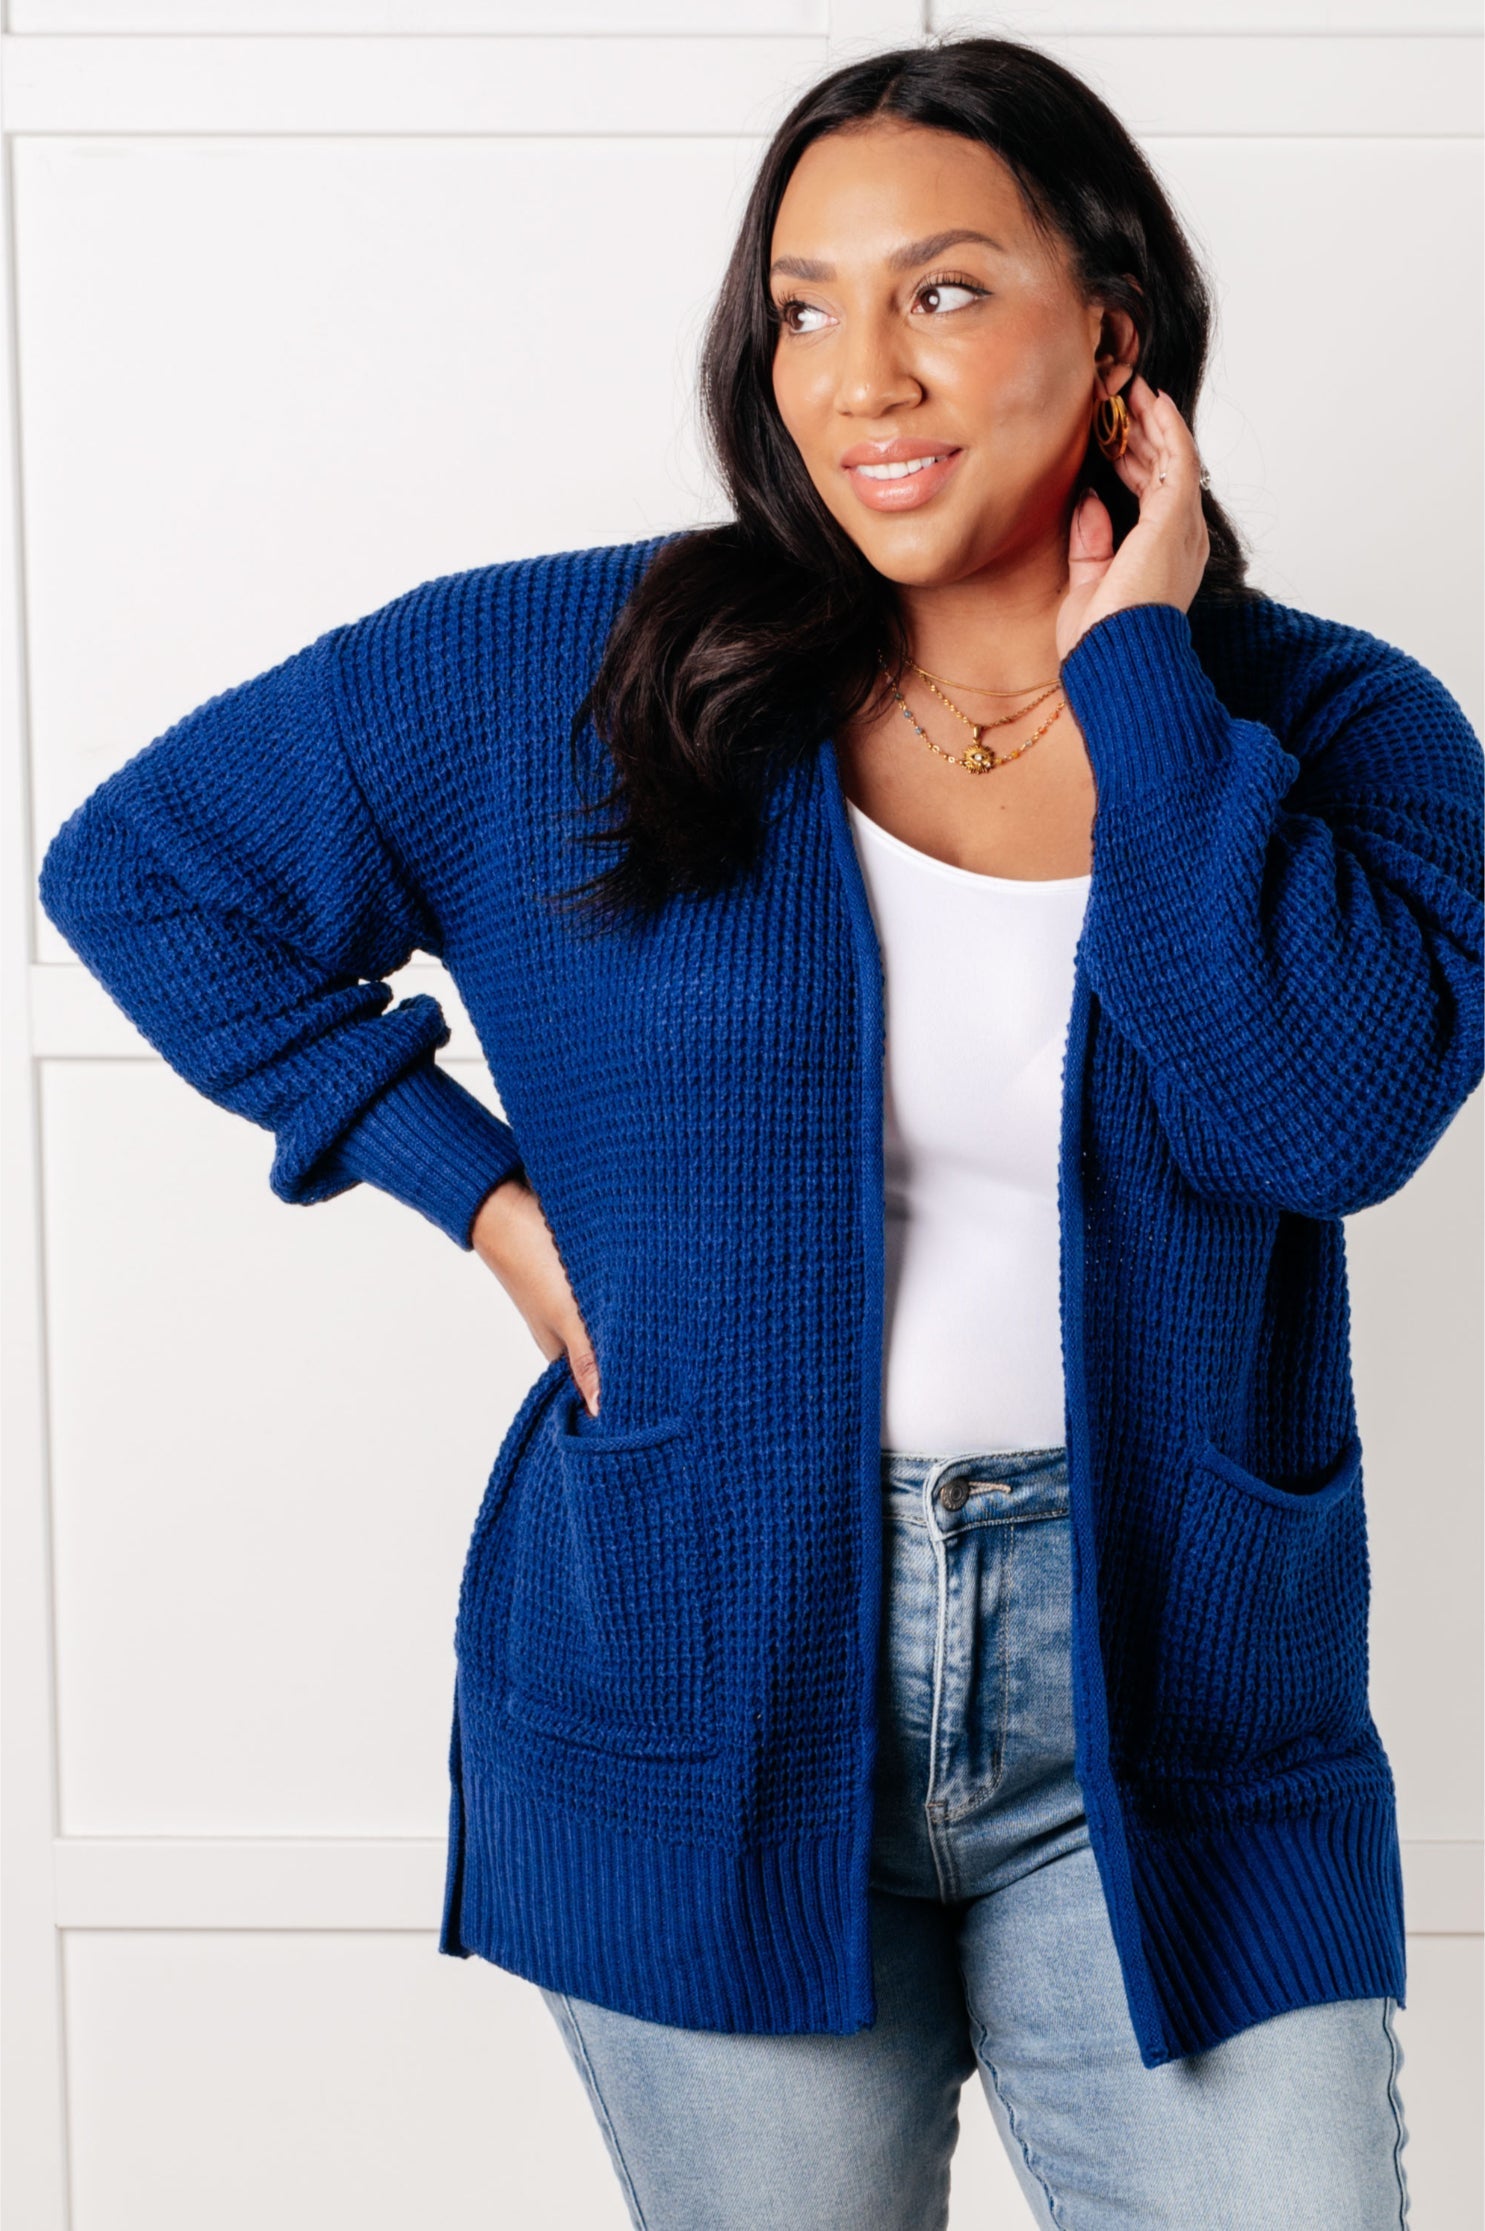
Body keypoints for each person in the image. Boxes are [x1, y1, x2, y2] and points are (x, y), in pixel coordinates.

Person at [37, 33, 1480, 2231]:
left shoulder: (1336, 723)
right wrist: (479, 1198)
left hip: (1177, 1703)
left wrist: (1138, 674)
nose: (859, 377)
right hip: (701, 1664)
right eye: (803, 308)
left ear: (1113, 335)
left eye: (942, 292)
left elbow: (1324, 1119)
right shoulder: (564, 668)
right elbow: (147, 872)